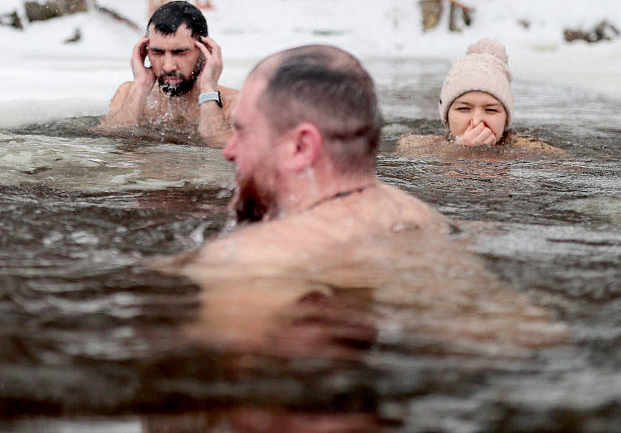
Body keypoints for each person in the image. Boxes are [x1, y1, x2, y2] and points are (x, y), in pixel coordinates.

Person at [163, 45, 564, 352]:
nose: (229, 150)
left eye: (245, 131)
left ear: (302, 146)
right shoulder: (419, 216)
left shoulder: (248, 260)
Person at [97, 0, 237, 148]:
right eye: (157, 52)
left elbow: (220, 153)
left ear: (205, 51)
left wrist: (208, 90)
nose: (168, 66)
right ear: (145, 50)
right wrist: (141, 86)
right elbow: (111, 143)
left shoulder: (234, 103)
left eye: (180, 52)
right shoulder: (128, 93)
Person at [397, 39, 564, 155]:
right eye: (463, 108)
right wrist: (458, 151)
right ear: (446, 116)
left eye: (490, 109)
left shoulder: (533, 151)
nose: (477, 121)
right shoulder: (416, 148)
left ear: (506, 118)